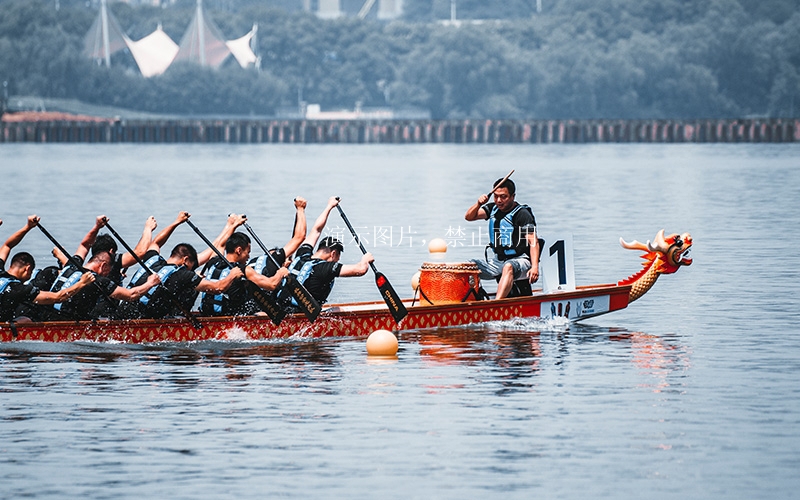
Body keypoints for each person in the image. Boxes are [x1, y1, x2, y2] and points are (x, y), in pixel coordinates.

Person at [118, 212, 246, 319]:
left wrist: (176, 222)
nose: (190, 269)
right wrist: (232, 275)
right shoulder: (183, 274)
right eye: (191, 266)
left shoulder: (153, 260)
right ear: (185, 260)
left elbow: (156, 242)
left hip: (122, 313)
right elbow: (219, 288)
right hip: (141, 320)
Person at [280, 196, 373, 307]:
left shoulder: (302, 255)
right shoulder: (325, 268)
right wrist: (365, 260)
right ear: (333, 254)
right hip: (301, 317)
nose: (336, 262)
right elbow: (360, 270)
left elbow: (316, 230)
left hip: (280, 309)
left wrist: (329, 206)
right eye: (337, 259)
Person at [0, 216, 95, 322]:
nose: (28, 278)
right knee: (26, 320)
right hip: (3, 330)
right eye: (30, 273)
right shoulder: (20, 289)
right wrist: (82, 283)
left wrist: (27, 227)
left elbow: (7, 245)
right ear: (27, 268)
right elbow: (58, 297)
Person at [464, 177, 539, 299]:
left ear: (512, 196)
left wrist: (535, 267)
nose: (499, 200)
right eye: (496, 196)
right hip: (498, 261)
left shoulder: (522, 214)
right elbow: (469, 217)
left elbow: (533, 242)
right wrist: (479, 204)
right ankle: (474, 299)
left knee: (508, 266)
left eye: (503, 197)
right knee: (467, 266)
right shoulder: (492, 208)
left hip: (521, 261)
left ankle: (496, 305)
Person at [34, 250, 161, 322]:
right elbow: (130, 295)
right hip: (64, 324)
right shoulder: (97, 280)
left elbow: (84, 246)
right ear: (103, 266)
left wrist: (97, 226)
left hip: (44, 318)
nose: (107, 275)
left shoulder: (70, 266)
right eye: (108, 271)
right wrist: (150, 283)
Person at [199, 230, 289, 317]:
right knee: (261, 309)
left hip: (206, 315)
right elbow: (272, 284)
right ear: (239, 250)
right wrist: (281, 272)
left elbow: (220, 245)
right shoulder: (242, 269)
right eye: (248, 252)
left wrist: (233, 224)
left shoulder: (213, 261)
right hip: (230, 320)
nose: (249, 257)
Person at [247, 197, 308, 300]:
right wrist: (300, 209)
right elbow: (299, 237)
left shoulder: (252, 263)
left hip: (248, 306)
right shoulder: (274, 259)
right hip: (266, 310)